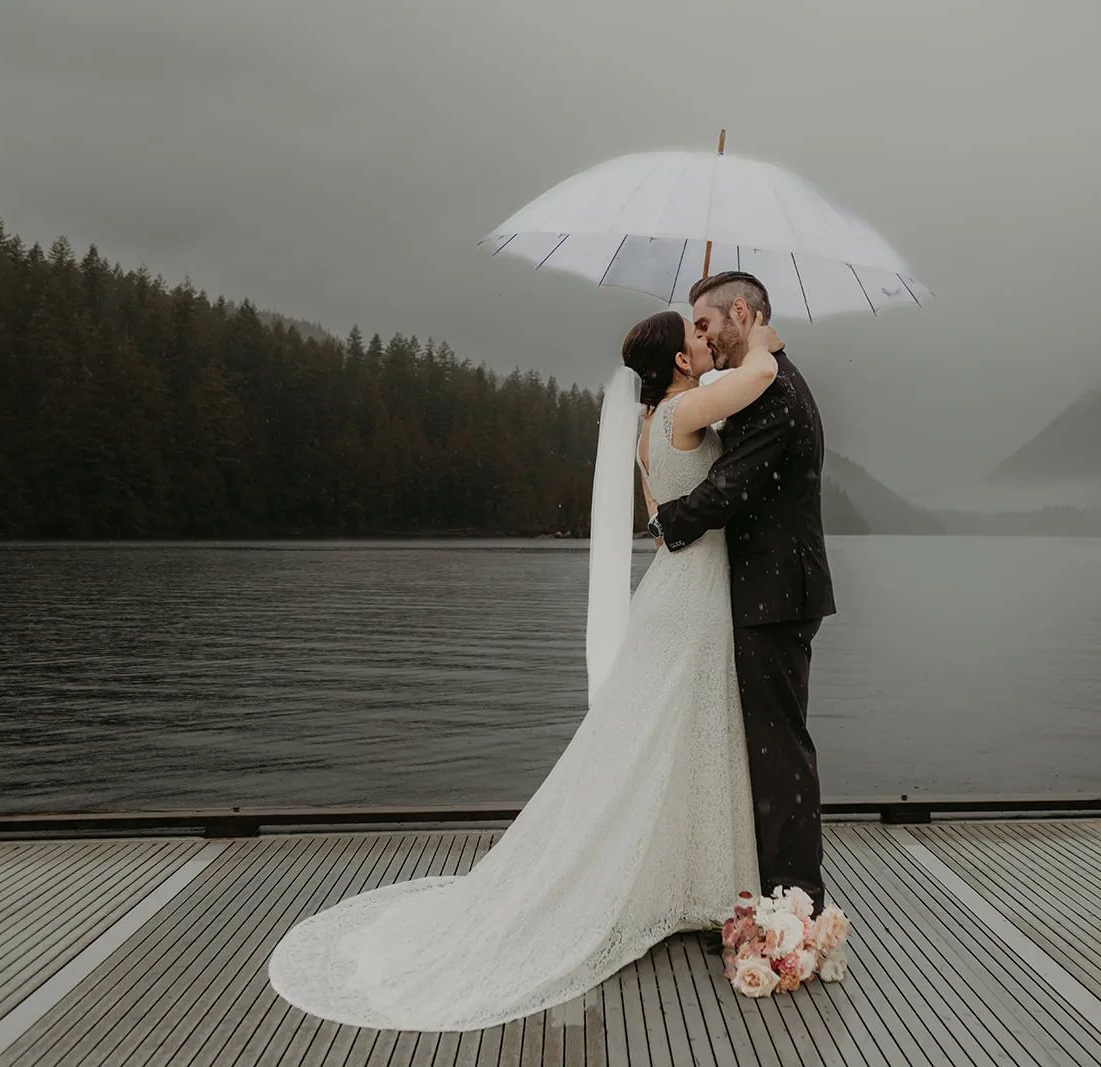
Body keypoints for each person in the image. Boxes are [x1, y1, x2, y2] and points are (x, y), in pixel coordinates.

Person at [267, 308, 785, 1031]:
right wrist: (760, 335)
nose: (709, 341)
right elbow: (759, 375)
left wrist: (713, 347)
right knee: (688, 726)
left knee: (671, 731)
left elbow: (661, 510)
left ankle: (693, 884)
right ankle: (696, 885)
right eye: (696, 337)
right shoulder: (690, 407)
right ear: (674, 360)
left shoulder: (648, 426)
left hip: (672, 588)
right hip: (692, 596)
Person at [648, 271, 836, 916]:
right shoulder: (764, 381)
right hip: (767, 588)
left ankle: (796, 903)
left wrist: (664, 522)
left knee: (778, 748)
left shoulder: (775, 389)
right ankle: (761, 883)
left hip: (776, 592)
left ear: (739, 312)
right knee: (763, 744)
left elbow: (731, 489)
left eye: (706, 324)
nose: (703, 337)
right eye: (692, 331)